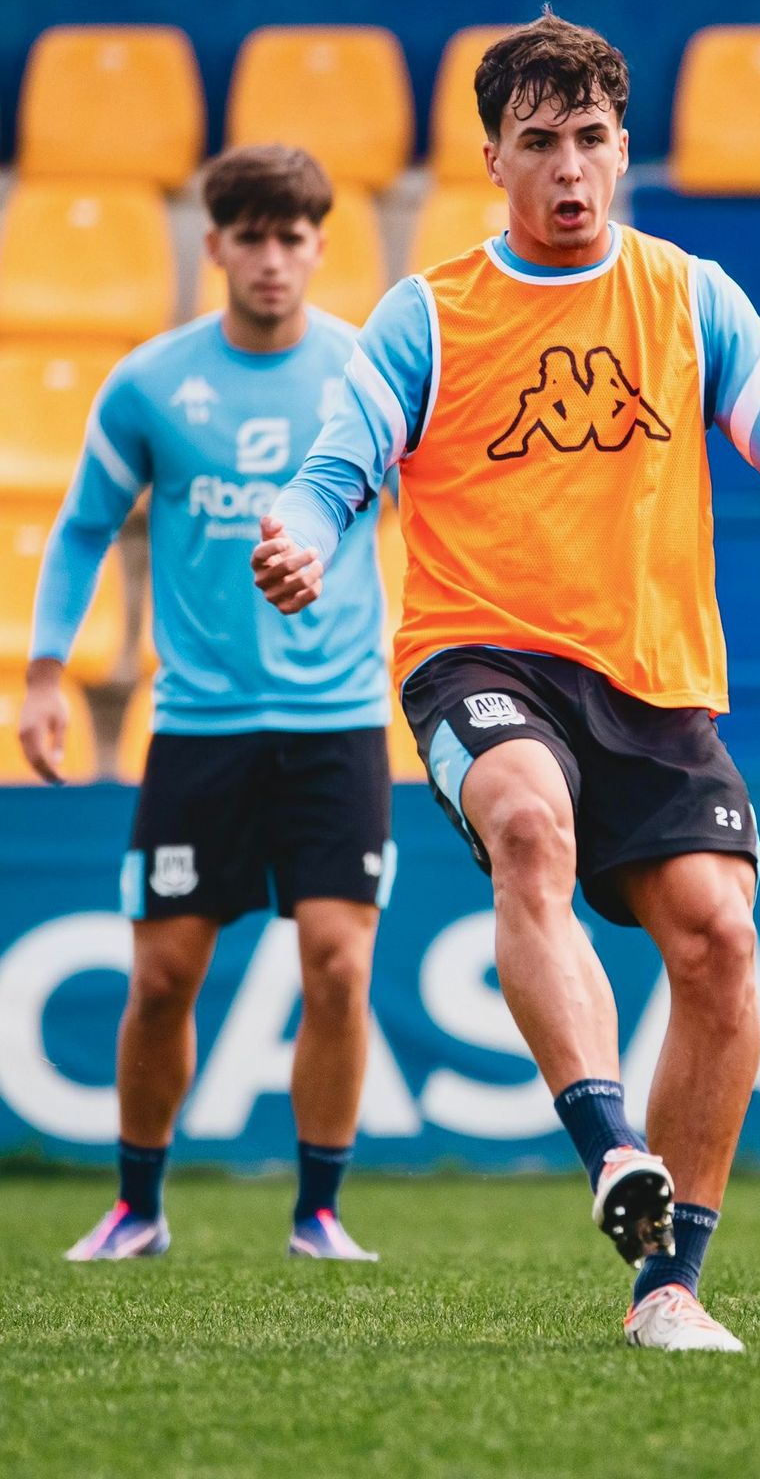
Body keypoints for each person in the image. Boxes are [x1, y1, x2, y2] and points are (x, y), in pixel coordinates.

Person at [253, 12, 760, 1351]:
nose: (567, 166)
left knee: (720, 944)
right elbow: (333, 473)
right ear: (493, 158)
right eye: (538, 140)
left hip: (654, 679)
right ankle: (612, 1145)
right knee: (528, 823)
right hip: (476, 653)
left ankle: (667, 1286)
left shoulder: (692, 296)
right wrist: (302, 541)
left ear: (623, 149)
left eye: (590, 138)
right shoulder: (429, 315)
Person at [22, 145, 394, 1264]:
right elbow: (83, 527)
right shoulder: (150, 383)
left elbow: (441, 505)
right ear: (215, 245)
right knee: (162, 977)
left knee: (339, 965)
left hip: (338, 719)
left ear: (319, 247)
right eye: (252, 237)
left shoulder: (366, 374)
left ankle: (319, 1212)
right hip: (198, 726)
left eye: (293, 238)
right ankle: (137, 1205)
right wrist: (44, 674)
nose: (273, 259)